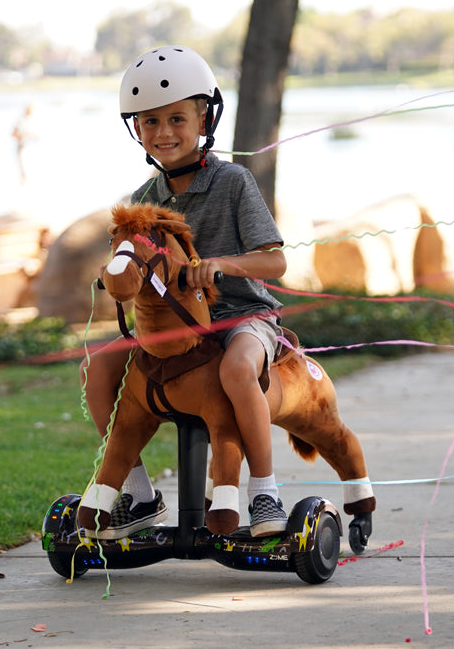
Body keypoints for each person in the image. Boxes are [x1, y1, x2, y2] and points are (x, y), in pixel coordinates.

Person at [80, 45, 289, 539]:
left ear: (203, 118)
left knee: (238, 368)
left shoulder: (233, 181)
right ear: (136, 129)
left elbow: (275, 261)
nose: (164, 132)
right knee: (98, 368)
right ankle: (139, 495)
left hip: (240, 316)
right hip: (173, 329)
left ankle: (264, 492)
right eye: (149, 122)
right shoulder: (144, 200)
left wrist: (222, 264)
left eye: (176, 118)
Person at [12, 103, 36, 185]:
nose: (31, 113)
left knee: (29, 172)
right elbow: (13, 133)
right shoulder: (21, 121)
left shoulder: (29, 121)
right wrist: (21, 138)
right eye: (30, 111)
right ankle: (23, 187)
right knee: (24, 172)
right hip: (21, 148)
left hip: (28, 148)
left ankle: (25, 187)